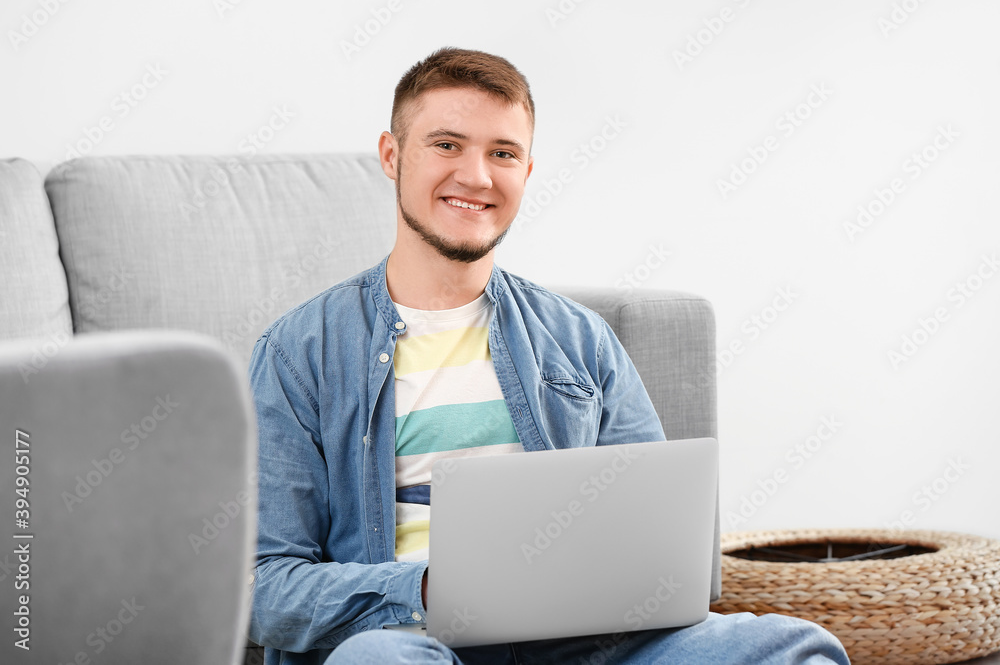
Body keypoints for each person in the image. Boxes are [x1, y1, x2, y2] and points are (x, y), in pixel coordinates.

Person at [247, 47, 850, 665]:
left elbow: (656, 549)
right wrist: (427, 588)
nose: (477, 176)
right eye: (447, 145)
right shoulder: (300, 353)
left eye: (502, 153)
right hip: (407, 642)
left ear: (527, 171)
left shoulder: (581, 340)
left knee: (789, 648)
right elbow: (264, 588)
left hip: (578, 647)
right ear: (392, 155)